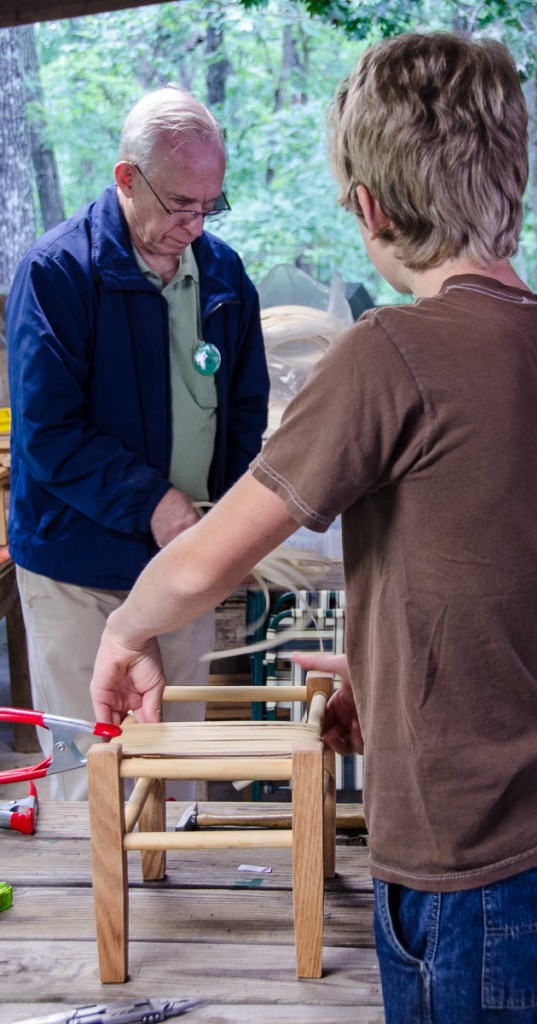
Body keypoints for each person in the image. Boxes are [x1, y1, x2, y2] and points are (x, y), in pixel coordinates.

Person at [89, 33, 537, 1021]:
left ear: (370, 206)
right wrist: (386, 675)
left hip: (472, 863)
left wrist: (128, 629)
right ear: (513, 171)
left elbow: (205, 563)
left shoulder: (386, 351)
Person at [6, 86, 269, 799]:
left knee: (172, 767)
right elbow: (48, 435)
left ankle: (169, 901)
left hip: (182, 565)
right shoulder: (56, 274)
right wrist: (153, 501)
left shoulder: (224, 277)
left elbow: (245, 412)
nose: (195, 222)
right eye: (181, 203)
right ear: (126, 178)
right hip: (77, 571)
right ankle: (88, 910)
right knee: (87, 773)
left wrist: (236, 522)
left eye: (210, 204)